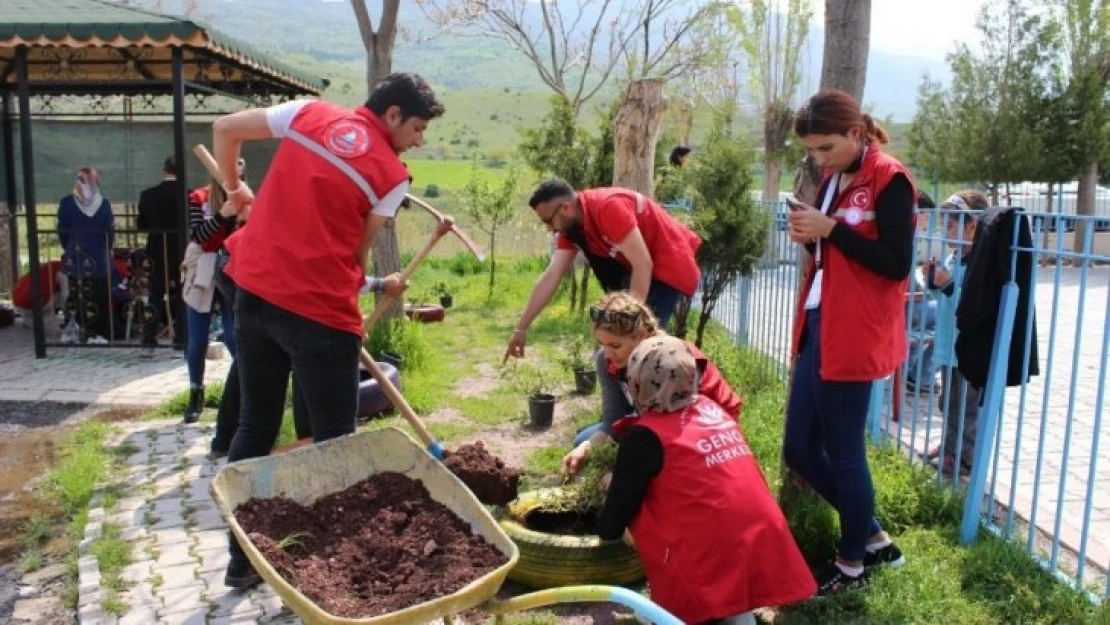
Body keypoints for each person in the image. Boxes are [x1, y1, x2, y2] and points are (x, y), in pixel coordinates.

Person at [212, 72, 444, 589]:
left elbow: (224, 128)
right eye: (418, 128)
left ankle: (241, 561)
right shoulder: (391, 176)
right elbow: (356, 254)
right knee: (336, 442)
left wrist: (234, 190)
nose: (419, 140)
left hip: (254, 295)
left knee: (254, 424)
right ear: (392, 115)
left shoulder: (308, 113)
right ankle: (330, 573)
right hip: (319, 313)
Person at [782, 89, 914, 595]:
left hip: (855, 332)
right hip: (820, 322)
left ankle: (853, 564)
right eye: (812, 150)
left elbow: (895, 262)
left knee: (843, 452)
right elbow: (837, 244)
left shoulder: (890, 178)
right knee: (799, 449)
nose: (819, 158)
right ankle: (874, 535)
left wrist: (831, 230)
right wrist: (812, 234)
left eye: (826, 147)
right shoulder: (836, 176)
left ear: (857, 133)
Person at [596, 335, 816, 624]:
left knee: (640, 514)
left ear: (637, 380)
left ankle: (685, 610)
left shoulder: (644, 438)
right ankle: (733, 610)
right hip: (760, 549)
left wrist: (610, 484)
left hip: (708, 561)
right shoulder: (714, 410)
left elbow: (609, 527)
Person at [504, 180, 702, 441]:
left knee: (640, 353)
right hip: (640, 272)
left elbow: (643, 263)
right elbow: (552, 275)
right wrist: (521, 328)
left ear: (564, 208)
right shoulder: (572, 228)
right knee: (613, 352)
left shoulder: (608, 207)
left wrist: (628, 322)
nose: (550, 229)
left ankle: (646, 434)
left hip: (667, 272)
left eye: (548, 221)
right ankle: (619, 424)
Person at [561, 291, 742, 475]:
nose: (607, 354)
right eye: (602, 344)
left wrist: (624, 476)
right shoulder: (607, 360)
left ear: (641, 335)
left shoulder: (669, 363)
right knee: (582, 441)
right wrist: (586, 447)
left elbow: (678, 431)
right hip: (660, 420)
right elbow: (613, 418)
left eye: (615, 346)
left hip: (706, 430)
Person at [923, 190, 987, 476]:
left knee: (967, 408)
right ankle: (950, 447)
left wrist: (948, 286)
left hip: (970, 350)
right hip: (949, 346)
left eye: (953, 222)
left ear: (973, 225)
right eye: (946, 222)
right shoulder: (953, 257)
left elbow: (976, 305)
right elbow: (947, 297)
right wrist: (933, 282)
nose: (946, 228)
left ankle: (965, 457)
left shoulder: (981, 264)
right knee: (948, 401)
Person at [179, 160, 246, 424]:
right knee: (197, 340)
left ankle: (240, 396)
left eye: (240, 164)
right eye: (232, 161)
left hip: (234, 267)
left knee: (234, 336)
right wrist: (222, 215)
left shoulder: (245, 197)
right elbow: (197, 235)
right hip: (204, 264)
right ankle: (196, 393)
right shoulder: (199, 197)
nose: (236, 167)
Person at [57, 167, 115, 342]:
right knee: (98, 295)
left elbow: (62, 229)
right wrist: (108, 248)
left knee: (75, 293)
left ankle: (73, 330)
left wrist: (68, 246)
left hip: (75, 253)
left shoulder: (67, 202)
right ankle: (98, 332)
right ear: (96, 182)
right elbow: (109, 231)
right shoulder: (103, 203)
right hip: (98, 254)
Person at [137, 156, 186, 351]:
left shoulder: (147, 195)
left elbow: (142, 225)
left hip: (156, 251)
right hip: (180, 251)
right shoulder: (187, 194)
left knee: (155, 295)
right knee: (183, 294)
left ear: (164, 171)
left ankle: (149, 337)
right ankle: (181, 337)